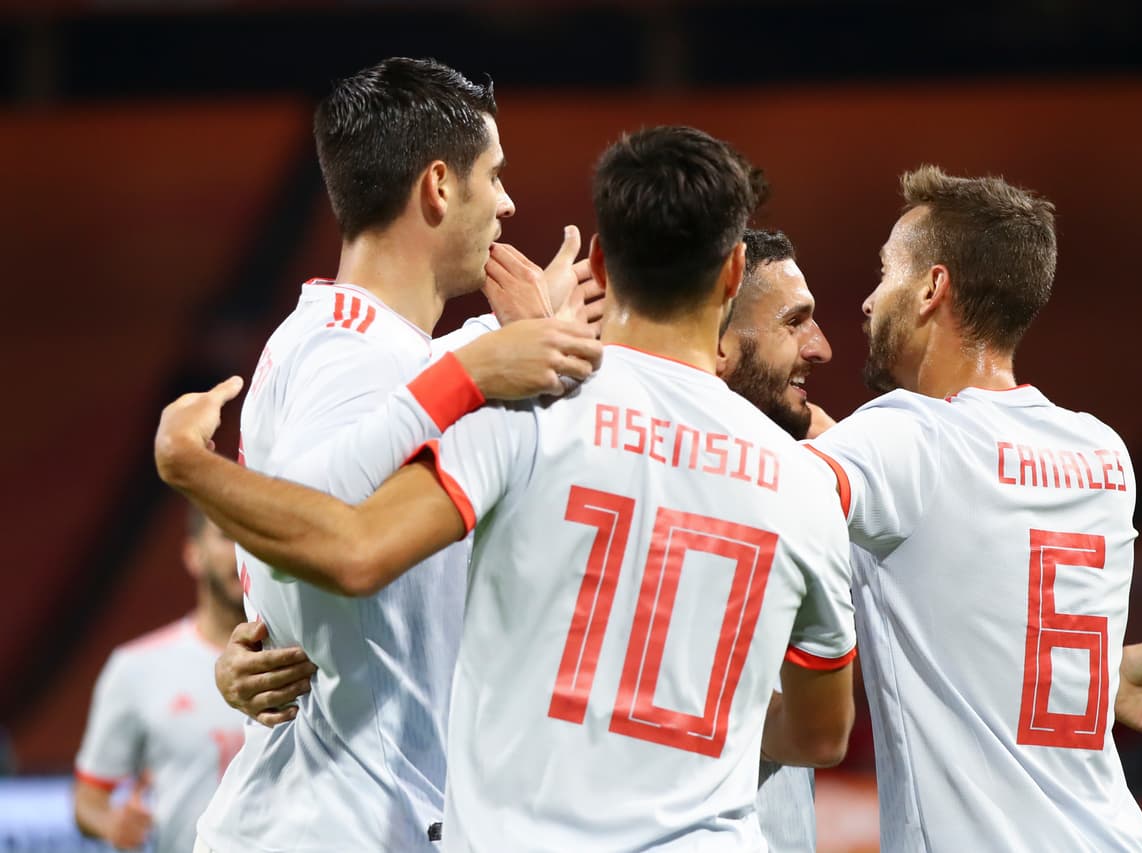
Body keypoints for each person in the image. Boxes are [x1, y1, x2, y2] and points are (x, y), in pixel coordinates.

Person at [154, 125, 860, 851]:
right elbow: (821, 730)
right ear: (735, 271)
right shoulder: (806, 482)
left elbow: (353, 549)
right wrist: (698, 720)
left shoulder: (527, 411)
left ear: (597, 260)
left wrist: (191, 465)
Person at [189, 56, 602, 853]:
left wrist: (506, 340)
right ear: (440, 187)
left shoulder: (363, 343)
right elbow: (315, 519)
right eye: (496, 175)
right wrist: (474, 365)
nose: (510, 202)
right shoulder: (350, 349)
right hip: (330, 825)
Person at [721, 227, 1142, 852]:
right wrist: (1076, 675)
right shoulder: (1099, 448)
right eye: (794, 322)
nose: (856, 312)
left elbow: (782, 493)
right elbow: (973, 571)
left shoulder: (904, 437)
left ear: (932, 288)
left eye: (885, 273)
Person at [73, 506, 246, 853]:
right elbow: (86, 802)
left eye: (257, 538)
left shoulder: (311, 658)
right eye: (227, 536)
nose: (243, 551)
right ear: (193, 554)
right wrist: (113, 824)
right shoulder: (136, 668)